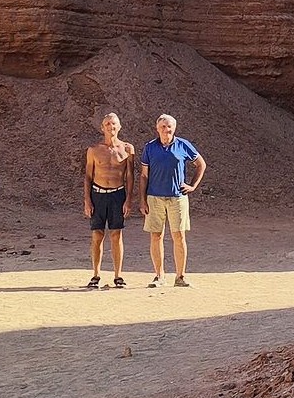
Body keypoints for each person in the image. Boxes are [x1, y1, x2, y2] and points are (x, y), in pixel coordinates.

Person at [137, 113, 206, 287]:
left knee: (179, 236)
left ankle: (180, 276)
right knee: (156, 236)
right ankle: (159, 275)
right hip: (154, 197)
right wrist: (142, 199)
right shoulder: (150, 147)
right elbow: (144, 176)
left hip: (177, 197)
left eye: (169, 127)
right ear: (157, 128)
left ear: (174, 128)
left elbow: (201, 164)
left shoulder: (183, 145)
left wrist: (192, 185)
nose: (166, 130)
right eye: (163, 127)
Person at [82, 112, 136, 288]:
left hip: (117, 194)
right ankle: (96, 275)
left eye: (114, 124)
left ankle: (118, 275)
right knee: (97, 234)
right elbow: (88, 176)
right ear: (102, 128)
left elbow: (130, 176)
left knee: (116, 234)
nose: (111, 127)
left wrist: (128, 199)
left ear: (119, 127)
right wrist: (87, 200)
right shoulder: (93, 150)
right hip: (98, 195)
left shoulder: (127, 149)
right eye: (107, 124)